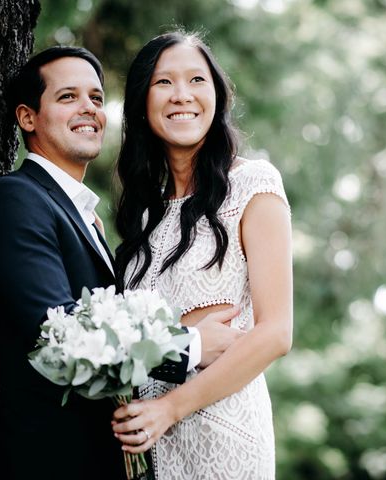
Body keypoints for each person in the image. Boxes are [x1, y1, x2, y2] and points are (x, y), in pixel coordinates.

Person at [0, 45, 242, 480]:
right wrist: (189, 346)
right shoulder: (15, 199)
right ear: (27, 118)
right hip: (42, 461)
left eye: (96, 98)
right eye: (67, 97)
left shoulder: (84, 218)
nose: (89, 109)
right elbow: (57, 333)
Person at [112, 32, 293, 479]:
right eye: (163, 83)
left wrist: (169, 408)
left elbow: (275, 333)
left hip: (225, 438)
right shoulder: (142, 217)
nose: (182, 96)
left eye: (197, 80)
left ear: (216, 96)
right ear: (141, 101)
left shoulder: (253, 185)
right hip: (148, 449)